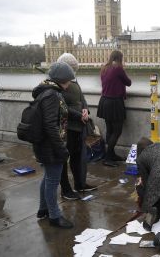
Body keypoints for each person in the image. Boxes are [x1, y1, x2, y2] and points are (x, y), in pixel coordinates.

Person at [34, 62, 75, 229]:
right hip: (50, 145)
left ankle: (43, 209)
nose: (71, 82)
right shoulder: (52, 95)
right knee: (52, 180)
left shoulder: (47, 91)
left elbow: (60, 113)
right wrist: (61, 148)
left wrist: (79, 115)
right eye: (69, 79)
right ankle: (54, 216)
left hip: (45, 144)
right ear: (62, 79)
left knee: (47, 177)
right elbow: (51, 125)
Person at [56, 53, 97, 200]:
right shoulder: (58, 83)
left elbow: (82, 98)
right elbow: (62, 106)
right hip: (67, 127)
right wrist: (78, 114)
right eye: (72, 70)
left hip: (79, 126)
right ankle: (65, 189)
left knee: (78, 158)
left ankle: (80, 183)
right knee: (64, 159)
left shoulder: (73, 79)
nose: (74, 74)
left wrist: (85, 109)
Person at [97, 50, 131, 167]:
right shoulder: (118, 69)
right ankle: (107, 157)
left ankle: (111, 155)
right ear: (120, 58)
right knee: (117, 131)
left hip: (104, 101)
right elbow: (128, 82)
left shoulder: (104, 68)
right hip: (114, 102)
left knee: (110, 130)